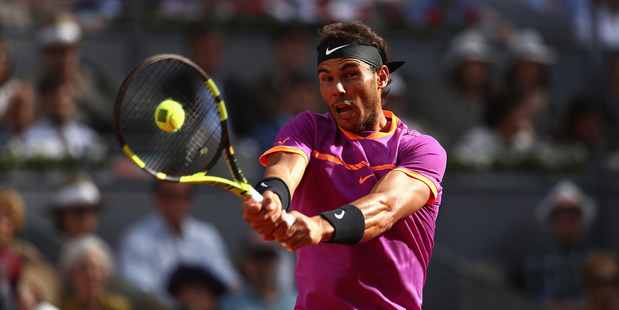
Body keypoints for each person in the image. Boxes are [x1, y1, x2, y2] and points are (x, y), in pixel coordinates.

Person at [241, 20, 447, 309]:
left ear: (381, 77)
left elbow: (386, 206)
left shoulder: (420, 149)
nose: (336, 88)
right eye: (326, 78)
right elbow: (283, 172)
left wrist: (319, 227)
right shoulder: (308, 128)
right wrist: (271, 200)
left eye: (350, 74)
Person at [116, 181, 241, 307]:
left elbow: (229, 279)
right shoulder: (136, 238)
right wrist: (182, 303)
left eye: (182, 196)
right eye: (169, 195)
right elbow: (138, 289)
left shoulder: (207, 235)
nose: (176, 202)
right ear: (157, 197)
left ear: (190, 200)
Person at [523, 179, 598, 309]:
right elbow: (540, 300)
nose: (567, 224)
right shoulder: (539, 258)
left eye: (572, 217)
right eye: (561, 218)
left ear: (581, 220)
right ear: (553, 222)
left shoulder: (595, 258)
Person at [19, 74, 106, 161]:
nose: (60, 105)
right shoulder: (29, 139)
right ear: (43, 103)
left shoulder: (88, 137)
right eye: (55, 101)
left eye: (65, 100)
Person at [219, 230, 297, 310]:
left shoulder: (296, 302)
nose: (265, 265)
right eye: (258, 258)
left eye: (269, 258)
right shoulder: (231, 305)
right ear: (245, 263)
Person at [58, 234, 132, 310]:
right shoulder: (60, 306)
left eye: (96, 268)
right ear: (72, 273)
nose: (91, 275)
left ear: (105, 274)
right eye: (84, 268)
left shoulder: (119, 307)